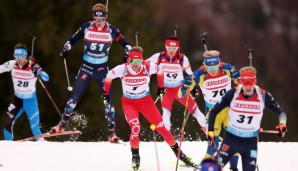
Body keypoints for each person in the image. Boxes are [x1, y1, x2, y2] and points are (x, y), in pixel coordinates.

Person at [102, 46, 198, 170]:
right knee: (136, 127)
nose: (135, 64)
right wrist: (105, 95)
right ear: (128, 60)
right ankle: (135, 156)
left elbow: (160, 71)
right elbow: (108, 77)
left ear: (141, 60)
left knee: (162, 128)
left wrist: (161, 87)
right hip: (129, 103)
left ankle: (180, 155)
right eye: (132, 61)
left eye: (138, 61)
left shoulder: (148, 66)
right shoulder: (122, 69)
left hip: (146, 102)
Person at [50, 3, 131, 143]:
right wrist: (65, 49)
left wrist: (128, 53)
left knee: (108, 102)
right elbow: (73, 39)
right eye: (96, 19)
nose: (99, 23)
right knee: (74, 98)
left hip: (101, 70)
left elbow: (126, 44)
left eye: (101, 20)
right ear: (93, 17)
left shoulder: (112, 30)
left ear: (106, 17)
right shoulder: (86, 26)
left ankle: (111, 133)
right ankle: (62, 125)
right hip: (86, 68)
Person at [207, 66, 287, 171]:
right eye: (245, 83)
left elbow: (281, 113)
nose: (248, 87)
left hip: (250, 143)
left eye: (251, 82)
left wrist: (282, 124)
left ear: (255, 81)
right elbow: (213, 112)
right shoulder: (233, 93)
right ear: (240, 81)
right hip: (230, 140)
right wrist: (211, 131)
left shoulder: (263, 95)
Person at [178, 50, 240, 170]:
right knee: (212, 145)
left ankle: (234, 168)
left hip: (229, 110)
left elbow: (242, 84)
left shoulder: (226, 69)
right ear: (205, 65)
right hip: (213, 113)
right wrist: (185, 86)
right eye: (209, 67)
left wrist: (238, 78)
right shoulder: (200, 74)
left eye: (215, 66)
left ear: (218, 63)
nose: (212, 70)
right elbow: (181, 94)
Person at [146, 36, 206, 132]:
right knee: (165, 113)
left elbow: (190, 74)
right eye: (169, 48)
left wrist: (194, 88)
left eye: (174, 48)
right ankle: (167, 136)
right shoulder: (159, 57)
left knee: (195, 111)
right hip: (166, 89)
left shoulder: (182, 58)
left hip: (180, 89)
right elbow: (144, 64)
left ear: (178, 48)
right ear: (166, 47)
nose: (171, 51)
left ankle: (208, 131)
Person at [0, 43, 49, 141]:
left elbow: (46, 78)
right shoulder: (12, 64)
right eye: (16, 56)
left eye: (20, 56)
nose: (18, 59)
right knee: (7, 124)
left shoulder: (33, 66)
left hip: (30, 101)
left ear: (25, 55)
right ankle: (9, 148)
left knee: (35, 129)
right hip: (17, 101)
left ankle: (43, 149)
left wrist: (39, 72)